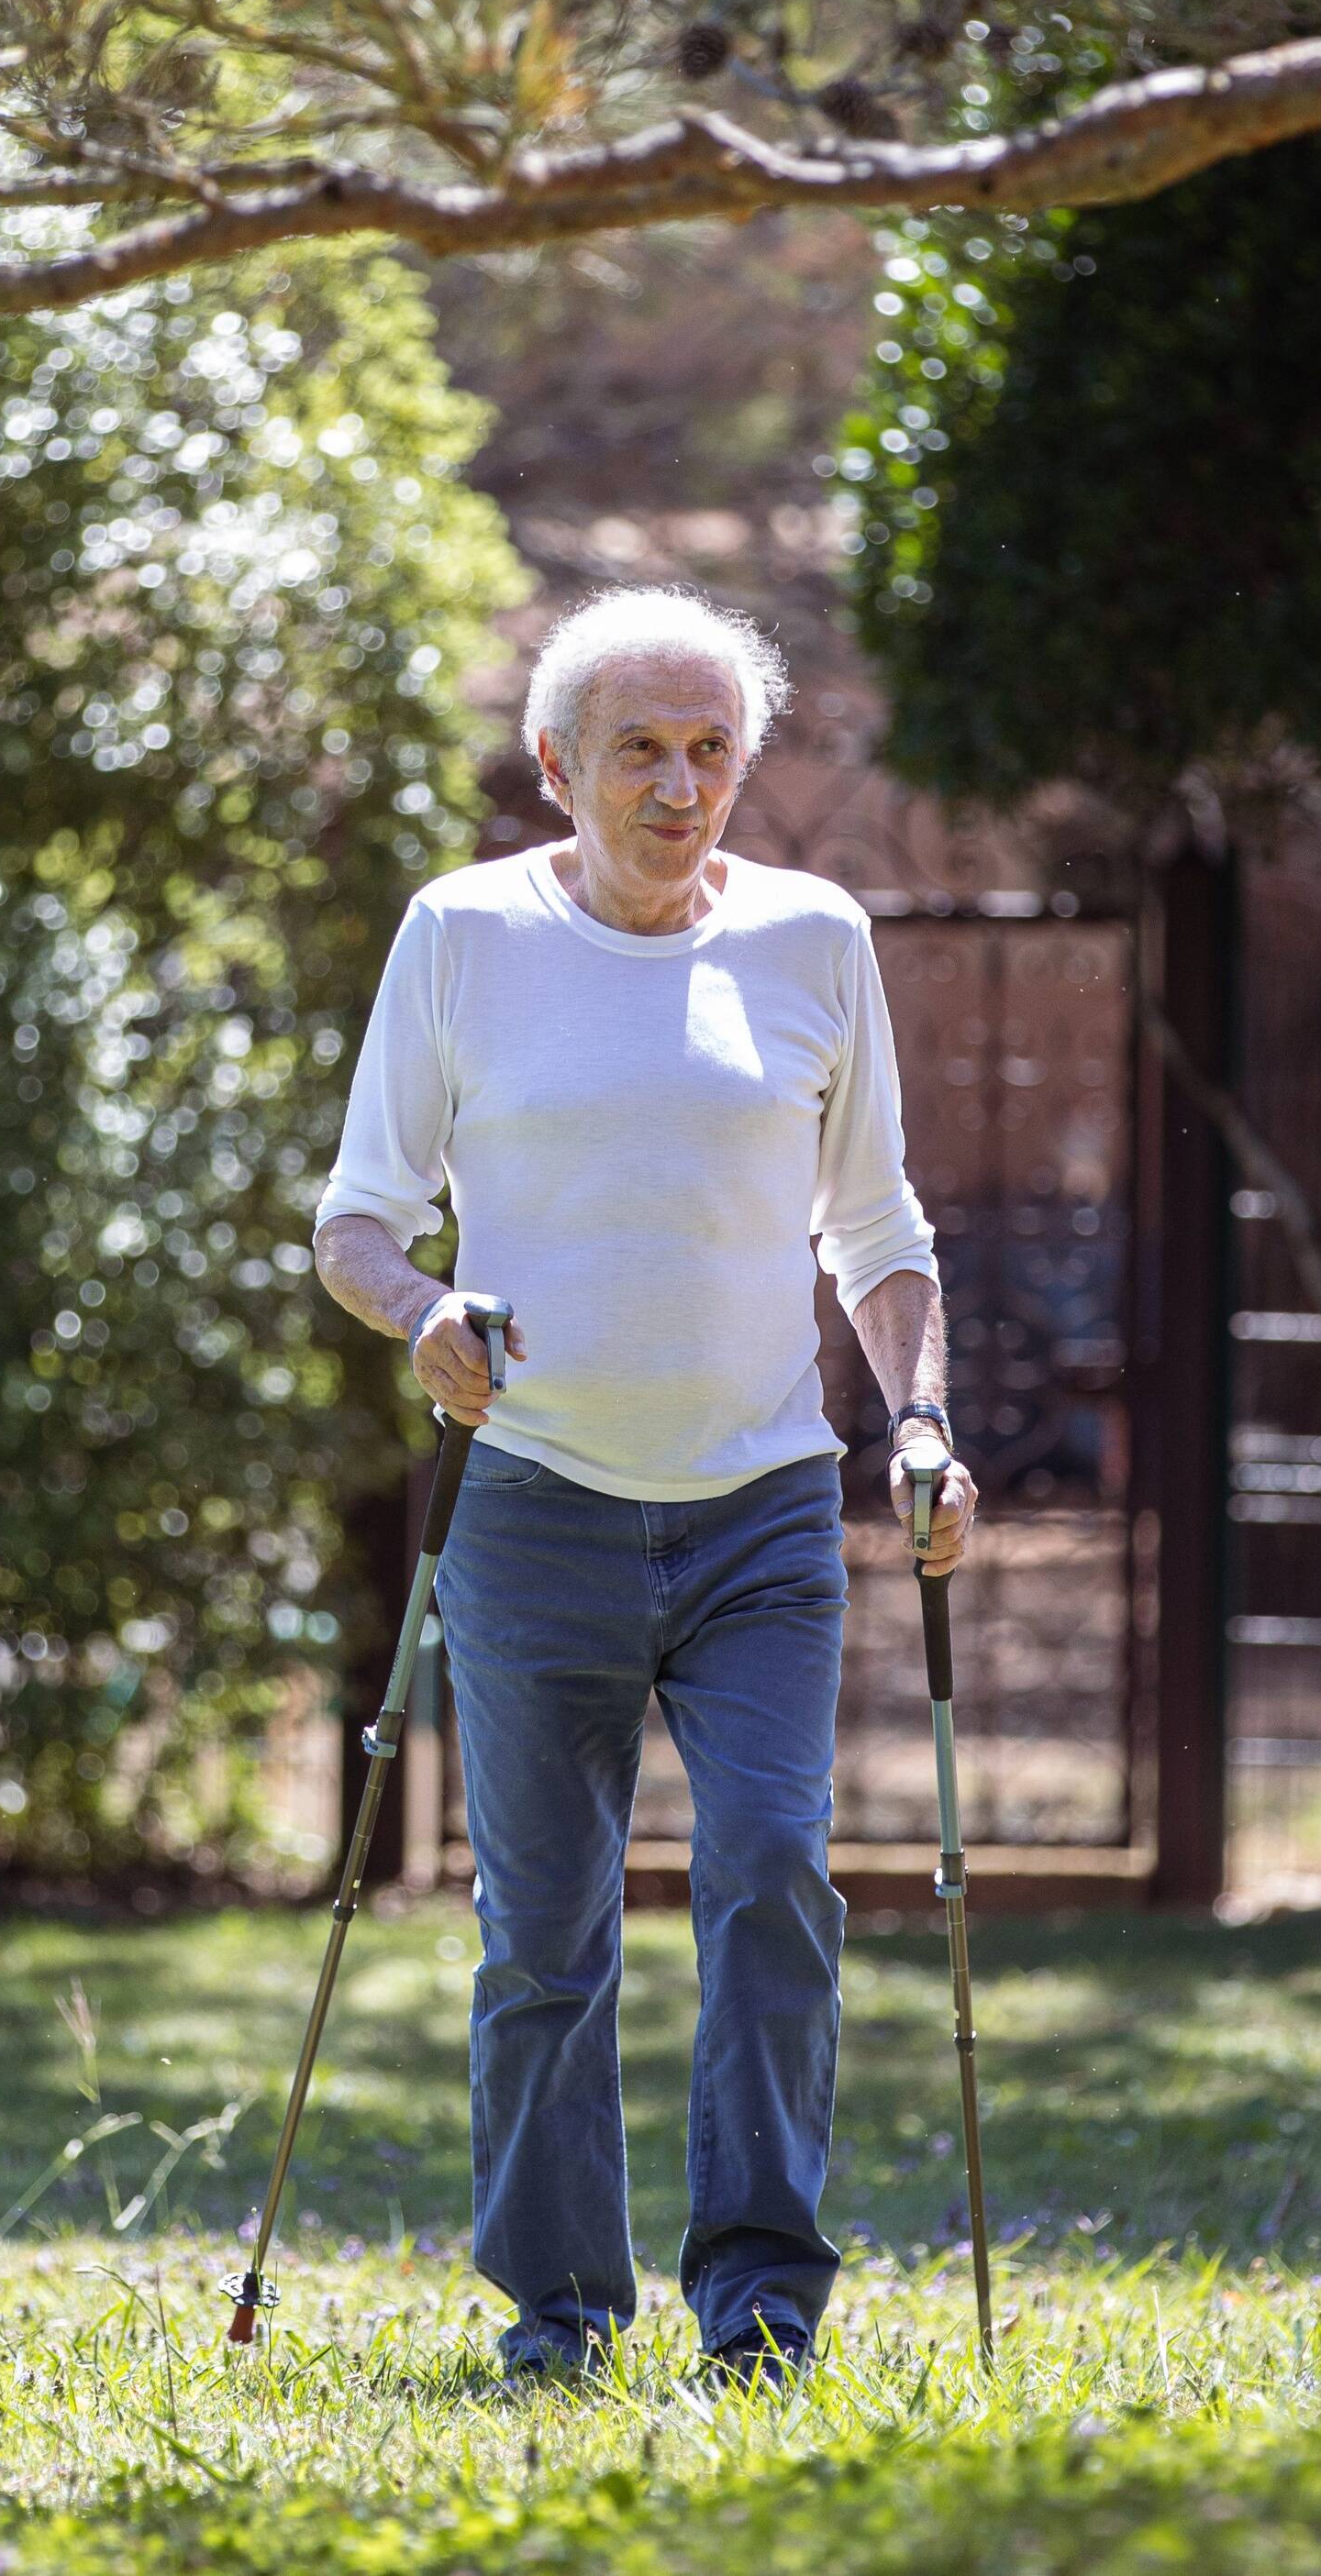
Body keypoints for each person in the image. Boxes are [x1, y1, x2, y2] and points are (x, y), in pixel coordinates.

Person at [312, 583, 975, 2383]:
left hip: (761, 1509)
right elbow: (356, 1220)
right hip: (532, 1504)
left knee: (773, 1870)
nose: (681, 787)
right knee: (546, 1933)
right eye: (640, 751)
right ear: (554, 767)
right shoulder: (461, 936)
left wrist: (916, 1416)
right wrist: (425, 1311)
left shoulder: (814, 938)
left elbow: (877, 1222)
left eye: (712, 751)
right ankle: (560, 2309)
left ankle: (759, 2304)